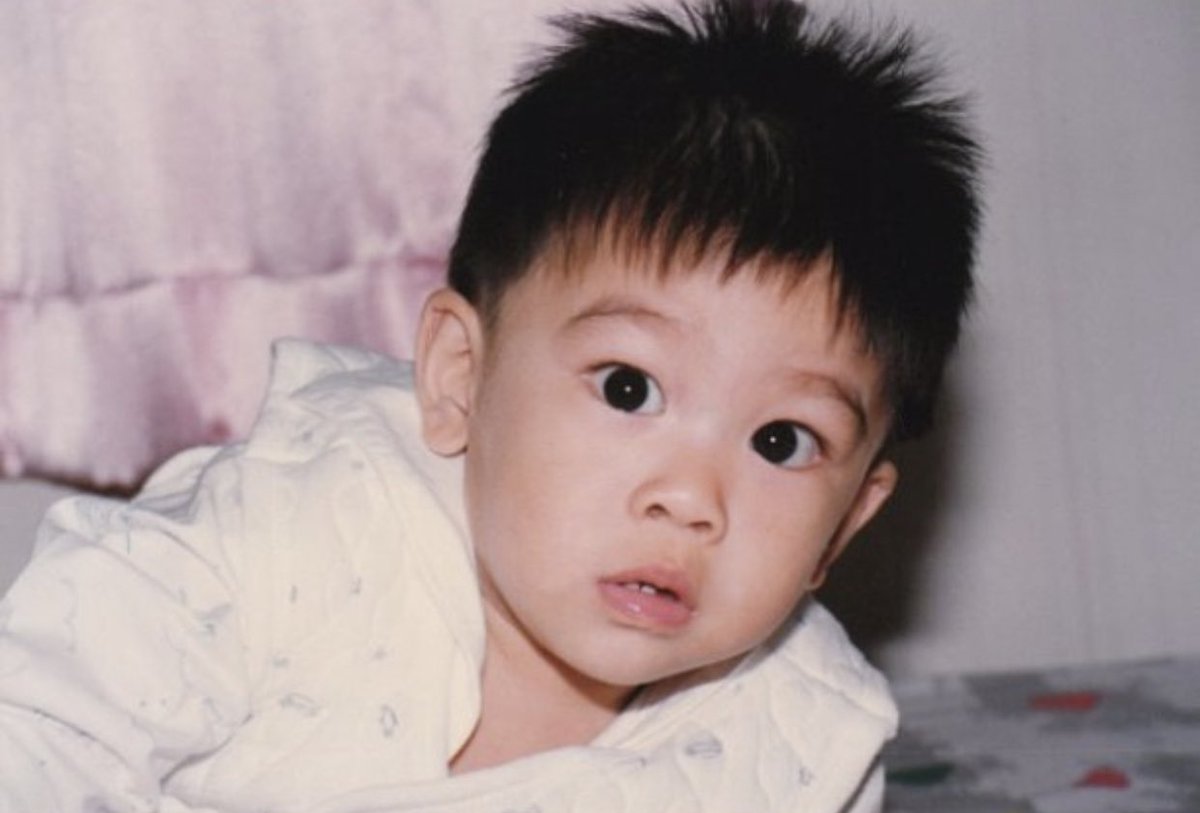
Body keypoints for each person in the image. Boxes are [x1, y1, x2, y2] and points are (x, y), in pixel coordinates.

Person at [0, 0, 980, 810]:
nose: (690, 497)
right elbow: (40, 725)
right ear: (459, 375)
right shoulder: (289, 531)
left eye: (782, 440)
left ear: (845, 522)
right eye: (629, 387)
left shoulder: (804, 744)